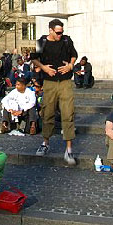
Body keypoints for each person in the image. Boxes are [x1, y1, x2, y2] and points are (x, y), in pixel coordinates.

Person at [30, 19, 78, 165]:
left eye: (62, 32)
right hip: (49, 83)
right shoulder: (42, 41)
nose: (60, 35)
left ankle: (69, 150)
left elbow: (74, 55)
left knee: (68, 113)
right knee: (48, 112)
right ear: (50, 30)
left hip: (65, 82)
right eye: (58, 32)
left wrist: (70, 66)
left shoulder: (67, 40)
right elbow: (34, 59)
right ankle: (45, 143)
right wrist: (44, 68)